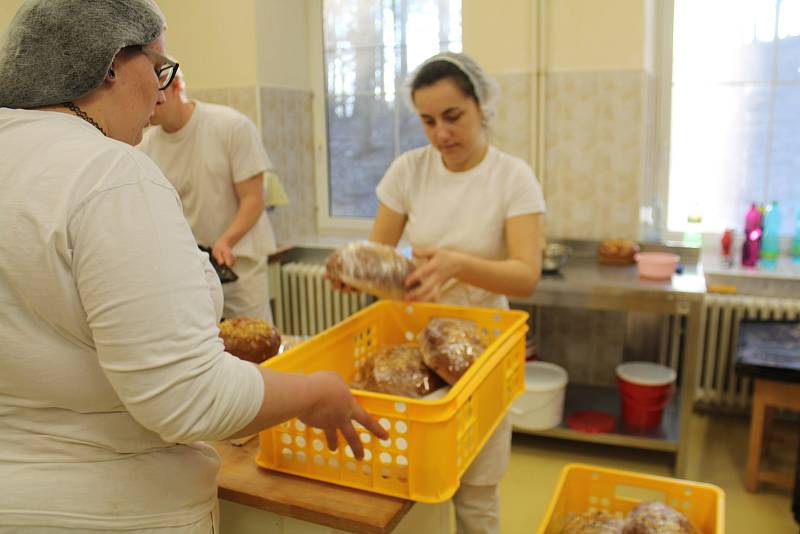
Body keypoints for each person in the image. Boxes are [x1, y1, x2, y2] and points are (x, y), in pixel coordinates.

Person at [0, 1, 385, 532]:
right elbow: (187, 397)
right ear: (109, 63)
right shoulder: (108, 171)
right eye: (159, 69)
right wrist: (315, 392)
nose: (161, 93)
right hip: (112, 506)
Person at [369, 52, 545, 534]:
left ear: (481, 106)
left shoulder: (513, 177)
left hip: (484, 352)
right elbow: (379, 256)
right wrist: (361, 273)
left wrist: (458, 265)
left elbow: (525, 275)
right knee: (421, 484)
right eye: (428, 121)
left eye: (452, 117)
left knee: (478, 489)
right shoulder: (409, 171)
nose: (441, 134)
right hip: (418, 347)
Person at [138, 67, 276, 323]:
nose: (147, 103)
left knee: (256, 346)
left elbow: (253, 199)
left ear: (175, 86)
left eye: (152, 92)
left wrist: (226, 241)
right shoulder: (145, 147)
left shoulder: (231, 126)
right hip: (191, 276)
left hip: (240, 266)